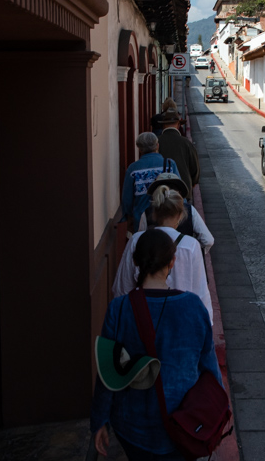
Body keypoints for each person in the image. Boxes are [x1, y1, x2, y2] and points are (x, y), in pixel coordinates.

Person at [91, 229, 221, 460]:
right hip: (183, 423)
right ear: (172, 262)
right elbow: (209, 366)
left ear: (135, 262)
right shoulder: (193, 306)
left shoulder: (119, 308)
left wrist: (99, 420)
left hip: (132, 426)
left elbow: (107, 373)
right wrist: (216, 412)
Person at [114, 186, 212, 324]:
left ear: (154, 214)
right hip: (181, 320)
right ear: (180, 215)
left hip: (142, 320)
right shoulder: (190, 245)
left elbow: (122, 288)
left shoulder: (137, 240)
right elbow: (201, 293)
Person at [139, 172, 214, 253]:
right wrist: (192, 251)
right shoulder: (190, 210)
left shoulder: (147, 213)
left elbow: (139, 241)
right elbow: (208, 240)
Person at [122, 132, 179, 233]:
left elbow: (127, 199)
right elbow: (178, 190)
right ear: (157, 145)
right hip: (167, 217)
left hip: (141, 219)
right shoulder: (170, 164)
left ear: (139, 148)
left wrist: (128, 217)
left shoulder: (133, 169)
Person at [157, 108, 200, 198]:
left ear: (164, 125)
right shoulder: (186, 142)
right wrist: (193, 181)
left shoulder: (157, 142)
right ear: (178, 125)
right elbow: (194, 166)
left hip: (162, 189)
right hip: (183, 188)